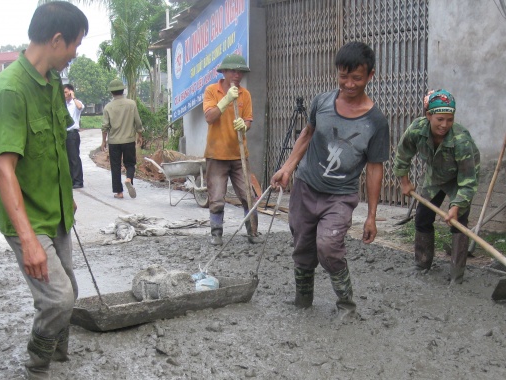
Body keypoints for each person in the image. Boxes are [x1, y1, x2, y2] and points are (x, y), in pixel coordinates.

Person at [0, 1, 88, 380]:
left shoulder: (50, 85)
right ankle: (37, 366)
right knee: (59, 298)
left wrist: (68, 195)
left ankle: (59, 353)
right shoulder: (11, 90)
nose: (76, 53)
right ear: (57, 39)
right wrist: (28, 240)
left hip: (56, 209)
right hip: (27, 217)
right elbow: (3, 169)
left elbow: (58, 147)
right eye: (75, 45)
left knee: (69, 291)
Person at [270, 42, 390, 313]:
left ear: (370, 76)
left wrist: (371, 215)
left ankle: (346, 305)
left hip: (340, 195)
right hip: (306, 187)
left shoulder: (376, 122)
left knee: (328, 245)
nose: (349, 84)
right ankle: (303, 302)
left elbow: (374, 169)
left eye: (356, 78)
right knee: (302, 246)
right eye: (343, 76)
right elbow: (307, 134)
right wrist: (288, 168)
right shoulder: (321, 102)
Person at [393, 89, 480, 284]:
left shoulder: (461, 140)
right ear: (428, 115)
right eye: (440, 119)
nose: (444, 125)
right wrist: (404, 181)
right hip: (435, 174)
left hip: (460, 178)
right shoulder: (417, 130)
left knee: (459, 223)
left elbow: (468, 181)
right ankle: (422, 263)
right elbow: (403, 154)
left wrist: (456, 207)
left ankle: (457, 274)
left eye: (449, 120)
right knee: (423, 216)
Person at [202, 53, 260, 245]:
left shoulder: (246, 94)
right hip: (216, 154)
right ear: (224, 72)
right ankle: (216, 234)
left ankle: (252, 232)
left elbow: (249, 120)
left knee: (248, 195)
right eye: (233, 71)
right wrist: (226, 100)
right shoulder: (211, 91)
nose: (237, 74)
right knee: (217, 197)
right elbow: (210, 117)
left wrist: (244, 125)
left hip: (239, 154)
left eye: (240, 71)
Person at [100, 79, 143, 199]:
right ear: (123, 90)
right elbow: (138, 122)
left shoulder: (108, 107)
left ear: (111, 93)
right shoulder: (131, 104)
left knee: (115, 166)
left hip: (114, 141)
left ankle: (119, 192)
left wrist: (104, 141)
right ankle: (128, 178)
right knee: (130, 163)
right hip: (129, 140)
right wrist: (140, 135)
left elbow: (105, 127)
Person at [64, 83, 84, 189]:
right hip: (65, 134)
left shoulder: (76, 103)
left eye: (66, 92)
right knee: (67, 158)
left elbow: (80, 107)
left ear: (71, 92)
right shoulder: (64, 105)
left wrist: (73, 97)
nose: (64, 94)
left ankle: (78, 180)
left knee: (74, 157)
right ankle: (72, 179)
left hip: (73, 134)